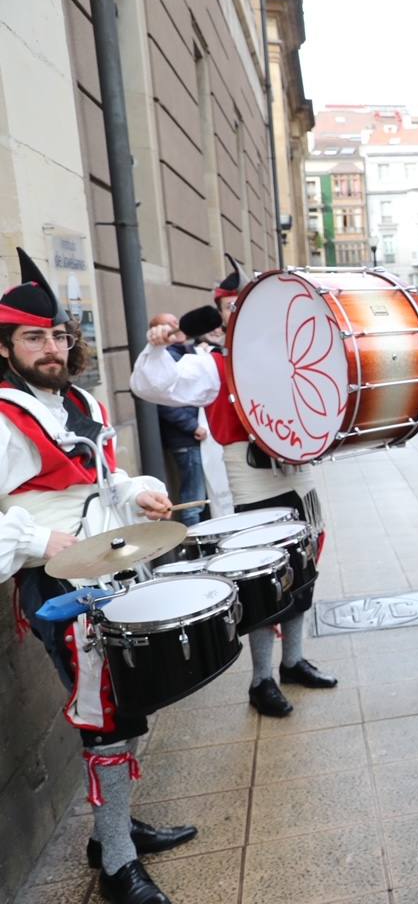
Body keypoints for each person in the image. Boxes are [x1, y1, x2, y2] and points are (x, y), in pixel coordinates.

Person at [0, 249, 194, 904]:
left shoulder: (78, 400)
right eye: (34, 337)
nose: (51, 347)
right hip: (57, 586)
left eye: (58, 334)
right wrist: (34, 538)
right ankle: (115, 863)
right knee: (107, 715)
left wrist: (139, 492)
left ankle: (112, 829)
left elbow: (105, 484)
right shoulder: (1, 416)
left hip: (108, 568)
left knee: (128, 703)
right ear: (6, 347)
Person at [131, 261, 339, 718]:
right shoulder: (212, 364)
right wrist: (158, 348)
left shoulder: (290, 356)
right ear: (223, 314)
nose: (241, 313)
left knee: (301, 569)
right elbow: (155, 386)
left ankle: (293, 661)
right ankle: (261, 680)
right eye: (231, 307)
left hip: (297, 473)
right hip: (249, 477)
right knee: (262, 577)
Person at [148, 313, 207, 527]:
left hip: (194, 436)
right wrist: (193, 426)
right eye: (170, 324)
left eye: (176, 321)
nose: (177, 325)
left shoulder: (185, 351)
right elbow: (163, 403)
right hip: (186, 439)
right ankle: (196, 549)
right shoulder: (167, 357)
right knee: (194, 499)